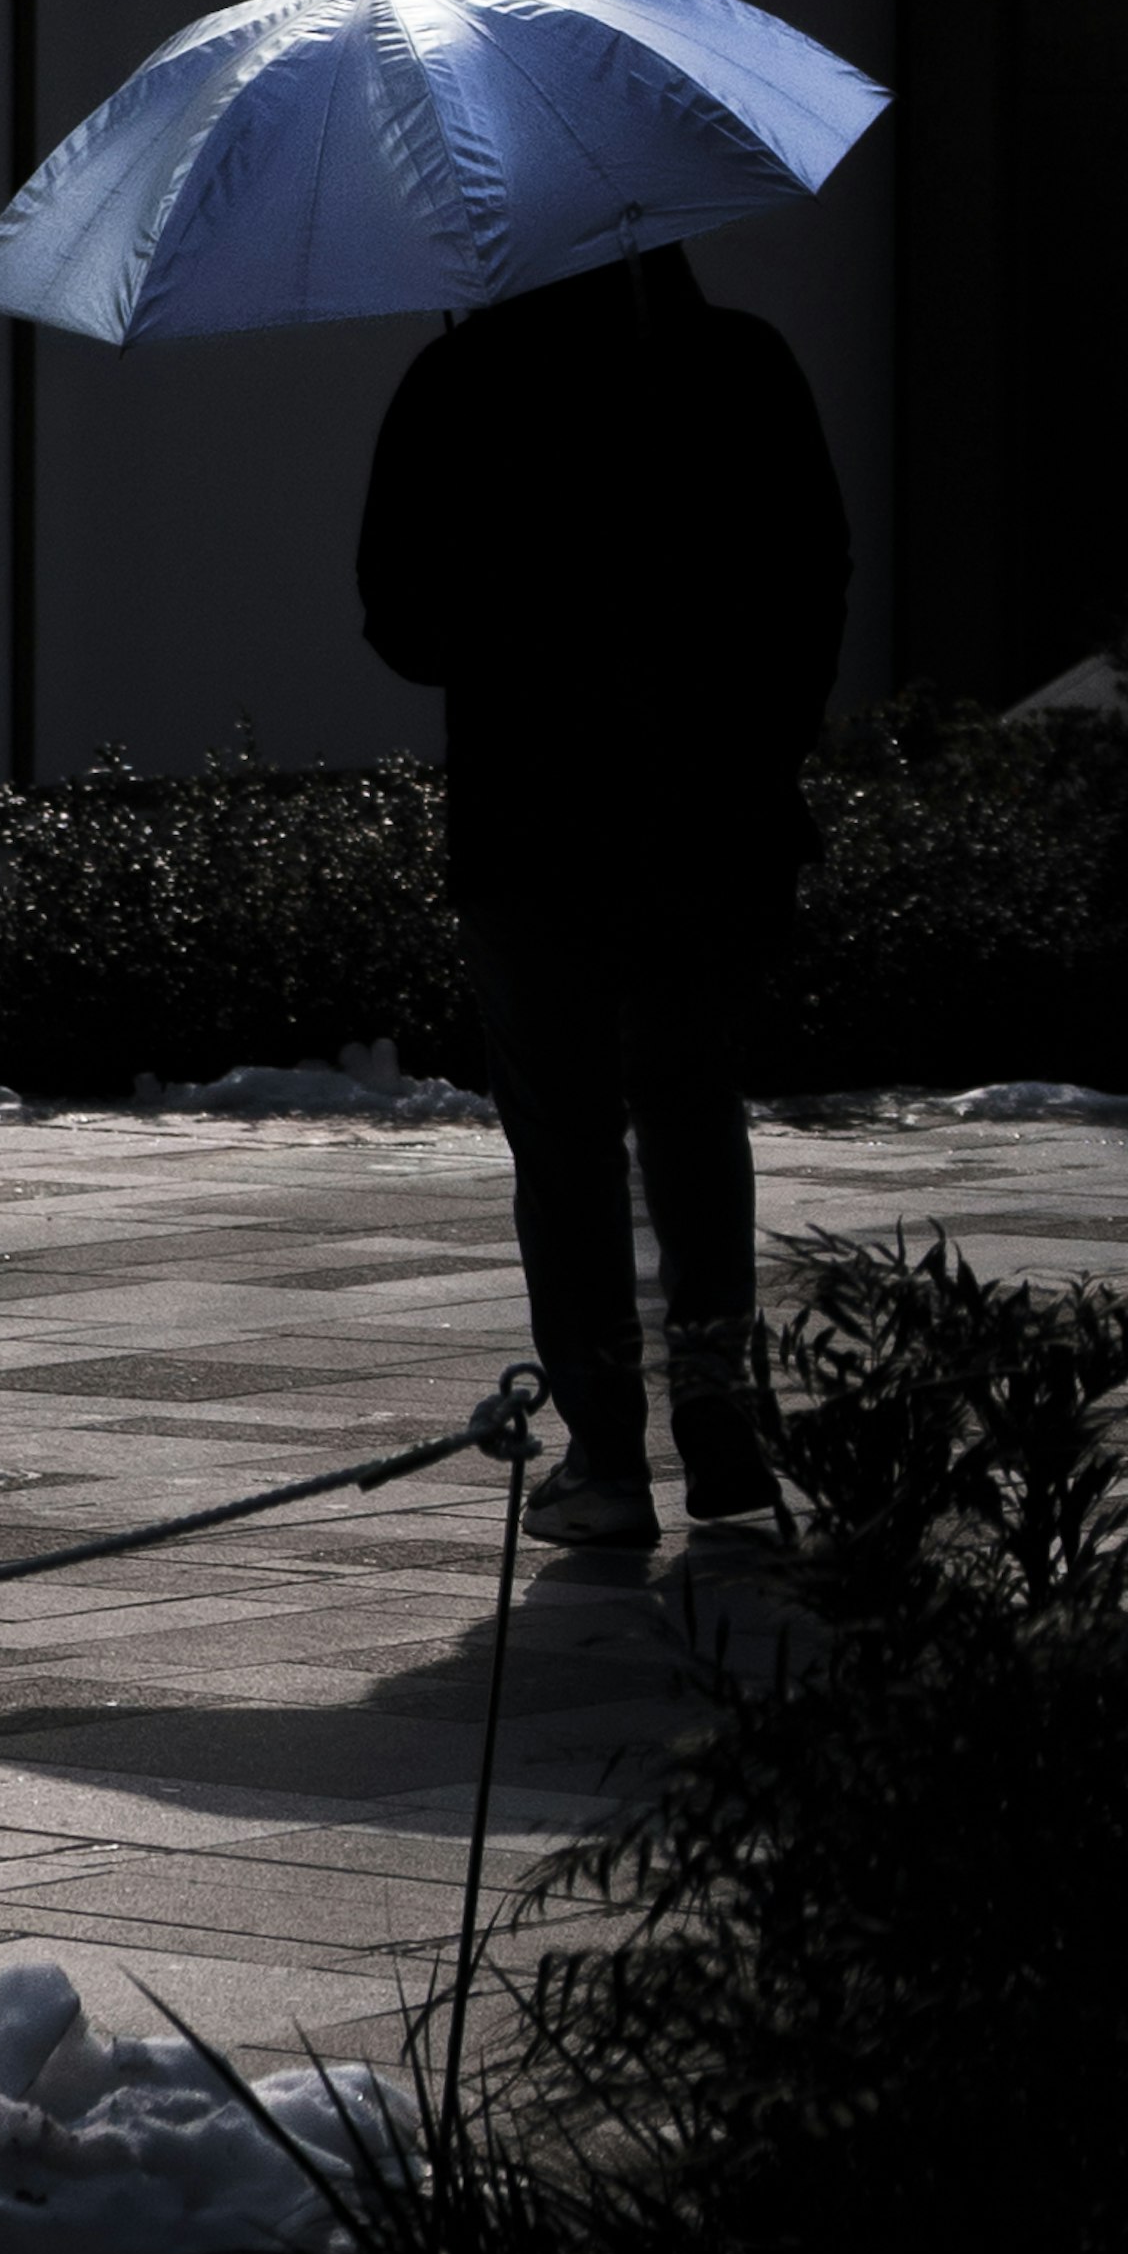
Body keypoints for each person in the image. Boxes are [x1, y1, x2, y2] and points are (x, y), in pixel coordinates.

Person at [357, 241, 851, 1546]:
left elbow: (401, 621)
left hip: (534, 824)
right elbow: (817, 569)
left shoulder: (464, 380)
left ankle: (608, 1450)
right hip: (714, 812)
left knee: (565, 1139)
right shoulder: (738, 363)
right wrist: (765, 734)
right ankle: (721, 1419)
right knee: (695, 1106)